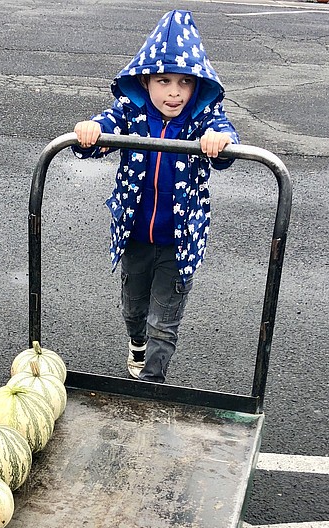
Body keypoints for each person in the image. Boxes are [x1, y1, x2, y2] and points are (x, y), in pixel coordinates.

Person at [73, 9, 239, 383]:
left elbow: (225, 138)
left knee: (162, 322)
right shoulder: (132, 111)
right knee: (135, 311)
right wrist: (91, 130)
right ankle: (136, 344)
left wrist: (220, 142)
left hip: (179, 241)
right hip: (135, 236)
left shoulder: (202, 117)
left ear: (199, 85)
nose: (175, 92)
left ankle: (151, 384)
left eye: (185, 82)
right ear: (145, 80)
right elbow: (102, 130)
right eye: (164, 80)